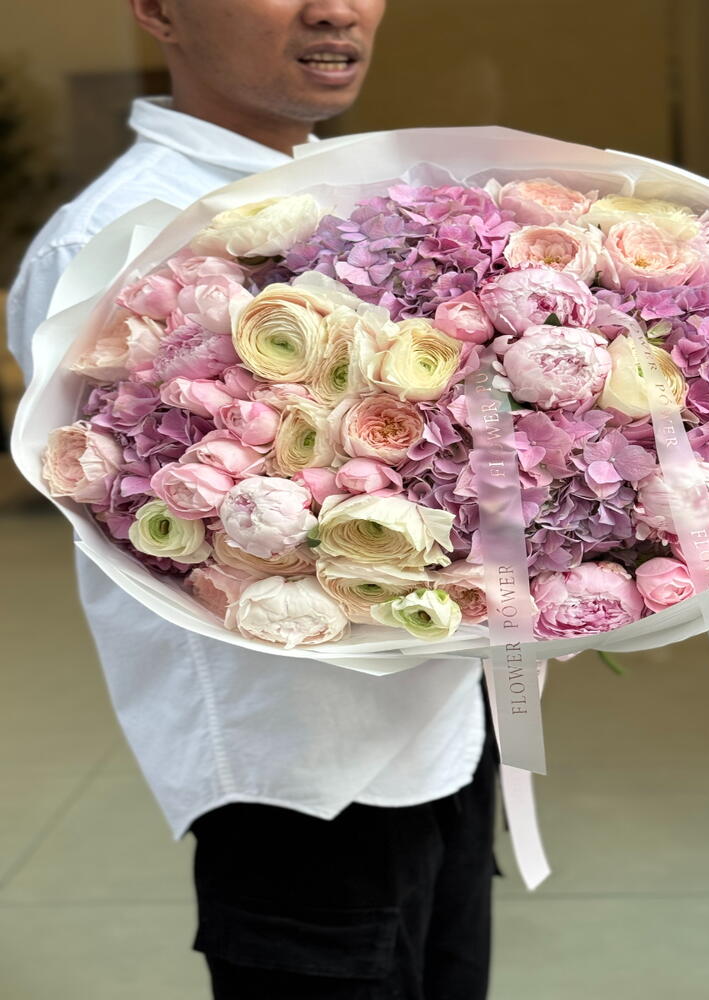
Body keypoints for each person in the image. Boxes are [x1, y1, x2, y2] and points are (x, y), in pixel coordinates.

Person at [6, 3, 498, 998]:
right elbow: (137, 520)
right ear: (158, 11)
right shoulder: (115, 237)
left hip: (441, 725)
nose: (336, 8)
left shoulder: (366, 190)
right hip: (298, 768)